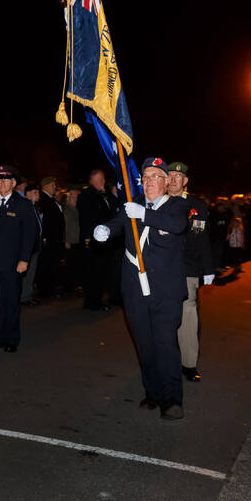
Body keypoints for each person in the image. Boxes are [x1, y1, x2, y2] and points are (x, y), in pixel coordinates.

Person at [93, 157, 189, 420]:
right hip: (135, 289)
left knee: (165, 344)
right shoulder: (132, 207)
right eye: (145, 177)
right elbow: (117, 222)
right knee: (145, 344)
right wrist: (105, 229)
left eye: (155, 176)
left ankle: (172, 400)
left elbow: (178, 225)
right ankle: (153, 392)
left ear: (167, 181)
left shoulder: (177, 205)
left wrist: (144, 214)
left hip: (165, 292)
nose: (148, 182)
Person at [165, 162, 215, 382]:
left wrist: (208, 269)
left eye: (179, 176)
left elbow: (201, 236)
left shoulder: (196, 206)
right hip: (162, 269)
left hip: (187, 268)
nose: (174, 179)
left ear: (185, 182)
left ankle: (188, 364)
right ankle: (165, 360)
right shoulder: (157, 202)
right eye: (171, 175)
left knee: (187, 314)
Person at [0, 165, 38, 353]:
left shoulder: (23, 204)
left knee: (11, 302)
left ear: (13, 183)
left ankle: (11, 339)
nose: (1, 183)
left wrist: (24, 260)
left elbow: (30, 234)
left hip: (13, 263)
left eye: (5, 180)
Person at [78, 169, 119, 310]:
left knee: (103, 271)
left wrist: (105, 192)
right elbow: (88, 217)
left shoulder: (104, 194)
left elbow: (114, 206)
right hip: (93, 239)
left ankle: (100, 298)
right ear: (92, 180)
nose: (103, 182)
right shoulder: (87, 194)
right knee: (93, 272)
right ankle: (93, 302)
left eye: (103, 179)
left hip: (105, 239)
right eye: (100, 179)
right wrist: (88, 237)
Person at [36, 177, 65, 299]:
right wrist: (45, 237)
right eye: (53, 185)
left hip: (54, 238)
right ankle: (46, 291)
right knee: (47, 265)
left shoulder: (49, 199)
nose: (55, 187)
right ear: (46, 185)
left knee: (52, 264)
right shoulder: (43, 199)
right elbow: (45, 220)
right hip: (49, 239)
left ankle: (50, 289)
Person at [20, 182, 43, 305]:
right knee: (26, 273)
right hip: (28, 247)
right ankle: (24, 297)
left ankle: (27, 295)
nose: (37, 194)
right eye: (35, 192)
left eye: (38, 192)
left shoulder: (34, 208)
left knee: (31, 273)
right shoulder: (26, 207)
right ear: (27, 194)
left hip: (35, 245)